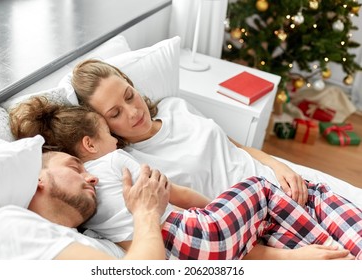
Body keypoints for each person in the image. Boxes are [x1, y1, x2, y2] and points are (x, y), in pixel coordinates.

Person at [70, 59, 362, 259]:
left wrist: (278, 165)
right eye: (115, 113)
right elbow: (210, 236)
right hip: (266, 226)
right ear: (101, 125)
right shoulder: (138, 169)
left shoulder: (175, 107)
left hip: (301, 192)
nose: (133, 112)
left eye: (129, 96)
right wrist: (290, 258)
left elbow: (233, 145)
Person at [8, 96, 361, 260]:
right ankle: (340, 253)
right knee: (261, 190)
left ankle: (332, 255)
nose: (116, 141)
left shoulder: (84, 215)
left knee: (272, 214)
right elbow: (184, 197)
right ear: (90, 143)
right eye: (109, 129)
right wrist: (219, 206)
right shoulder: (117, 162)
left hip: (184, 251)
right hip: (192, 231)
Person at [0, 151, 171, 260]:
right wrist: (147, 211)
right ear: (37, 178)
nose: (93, 178)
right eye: (75, 168)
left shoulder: (96, 241)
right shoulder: (5, 226)